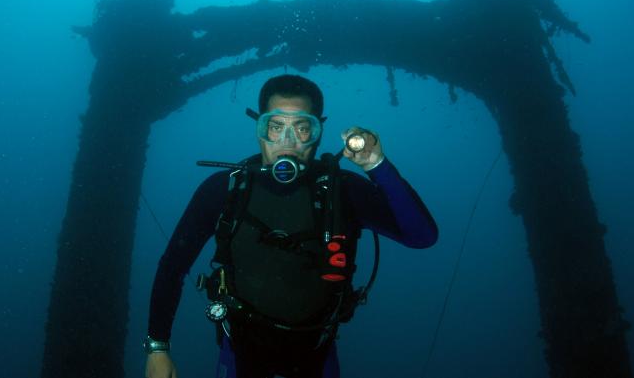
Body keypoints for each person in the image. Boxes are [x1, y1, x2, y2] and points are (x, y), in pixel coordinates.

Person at [144, 74, 438, 378]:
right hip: (240, 350)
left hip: (317, 352)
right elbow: (172, 267)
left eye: (301, 128)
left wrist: (376, 164)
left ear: (317, 132)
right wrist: (157, 349)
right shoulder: (225, 191)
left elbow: (422, 236)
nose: (287, 143)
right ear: (260, 130)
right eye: (275, 127)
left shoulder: (343, 192)